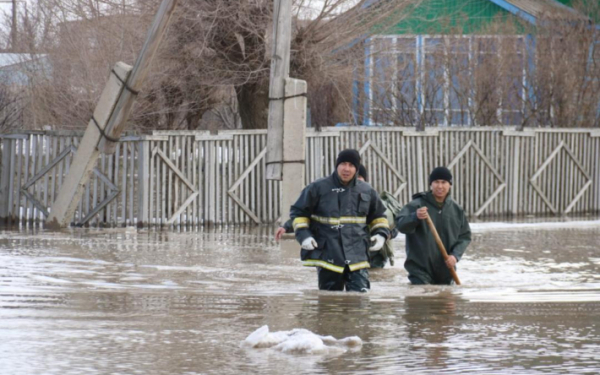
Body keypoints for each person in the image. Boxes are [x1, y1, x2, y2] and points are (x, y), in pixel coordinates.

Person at [290, 149, 390, 292]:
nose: (346, 169)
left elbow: (379, 216)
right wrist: (304, 236)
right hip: (329, 255)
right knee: (329, 303)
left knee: (360, 302)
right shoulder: (317, 188)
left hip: (358, 255)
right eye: (343, 164)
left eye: (351, 165)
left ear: (356, 168)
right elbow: (298, 212)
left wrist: (381, 234)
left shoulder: (367, 190)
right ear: (337, 165)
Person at [396, 166, 471, 285]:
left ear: (450, 184)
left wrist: (455, 256)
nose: (440, 186)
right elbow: (400, 226)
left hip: (447, 272)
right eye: (436, 182)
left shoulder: (457, 210)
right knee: (424, 299)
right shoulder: (417, 205)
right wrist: (415, 217)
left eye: (444, 182)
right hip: (420, 271)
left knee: (445, 298)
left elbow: (465, 236)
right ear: (431, 184)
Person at [275, 164, 371, 242]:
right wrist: (286, 227)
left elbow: (379, 218)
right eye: (356, 177)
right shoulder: (333, 196)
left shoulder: (370, 197)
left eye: (360, 178)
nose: (356, 181)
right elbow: (311, 216)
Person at [356, 164, 399, 269]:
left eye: (360, 179)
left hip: (376, 253)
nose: (357, 182)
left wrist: (386, 234)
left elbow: (395, 226)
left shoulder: (375, 201)